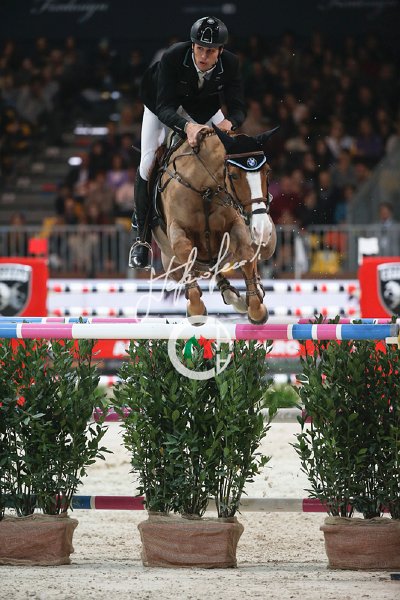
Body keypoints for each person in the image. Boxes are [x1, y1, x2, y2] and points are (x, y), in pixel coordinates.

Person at [129, 16, 247, 269]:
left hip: (202, 107)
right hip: (161, 105)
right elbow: (165, 108)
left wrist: (229, 124)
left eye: (210, 51)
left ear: (220, 51)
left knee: (231, 152)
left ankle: (246, 217)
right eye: (200, 48)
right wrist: (187, 127)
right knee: (147, 162)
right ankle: (141, 239)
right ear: (192, 45)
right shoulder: (173, 56)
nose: (204, 56)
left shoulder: (231, 63)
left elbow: (239, 109)